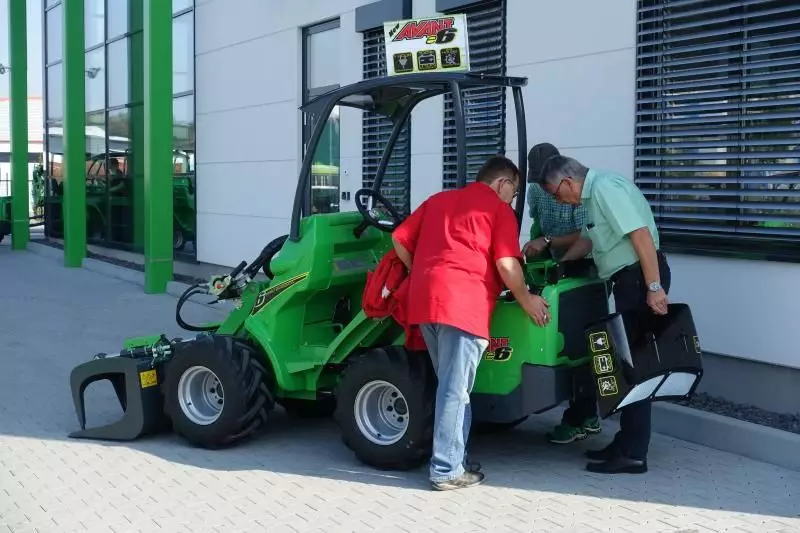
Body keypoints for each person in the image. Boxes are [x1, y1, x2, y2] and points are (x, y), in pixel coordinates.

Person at [392, 155, 551, 491]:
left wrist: (419, 270)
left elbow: (399, 239)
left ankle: (455, 458)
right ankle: (446, 469)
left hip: (426, 301)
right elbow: (507, 264)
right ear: (503, 183)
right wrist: (528, 300)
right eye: (514, 191)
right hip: (463, 305)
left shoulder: (439, 200)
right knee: (455, 389)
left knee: (452, 386)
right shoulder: (497, 210)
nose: (513, 198)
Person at [533, 154, 671, 475]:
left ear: (568, 182)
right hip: (629, 280)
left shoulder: (606, 188)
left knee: (634, 367)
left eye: (556, 193)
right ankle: (625, 443)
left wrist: (653, 286)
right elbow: (589, 239)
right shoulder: (595, 196)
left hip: (638, 278)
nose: (560, 201)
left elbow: (640, 236)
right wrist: (561, 265)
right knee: (625, 364)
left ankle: (634, 453)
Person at [523, 143, 601, 445]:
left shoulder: (579, 191)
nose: (543, 188)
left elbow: (586, 237)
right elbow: (537, 225)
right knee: (556, 339)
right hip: (552, 262)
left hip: (581, 267)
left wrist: (549, 243)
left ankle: (583, 416)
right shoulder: (535, 189)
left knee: (578, 343)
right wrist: (531, 253)